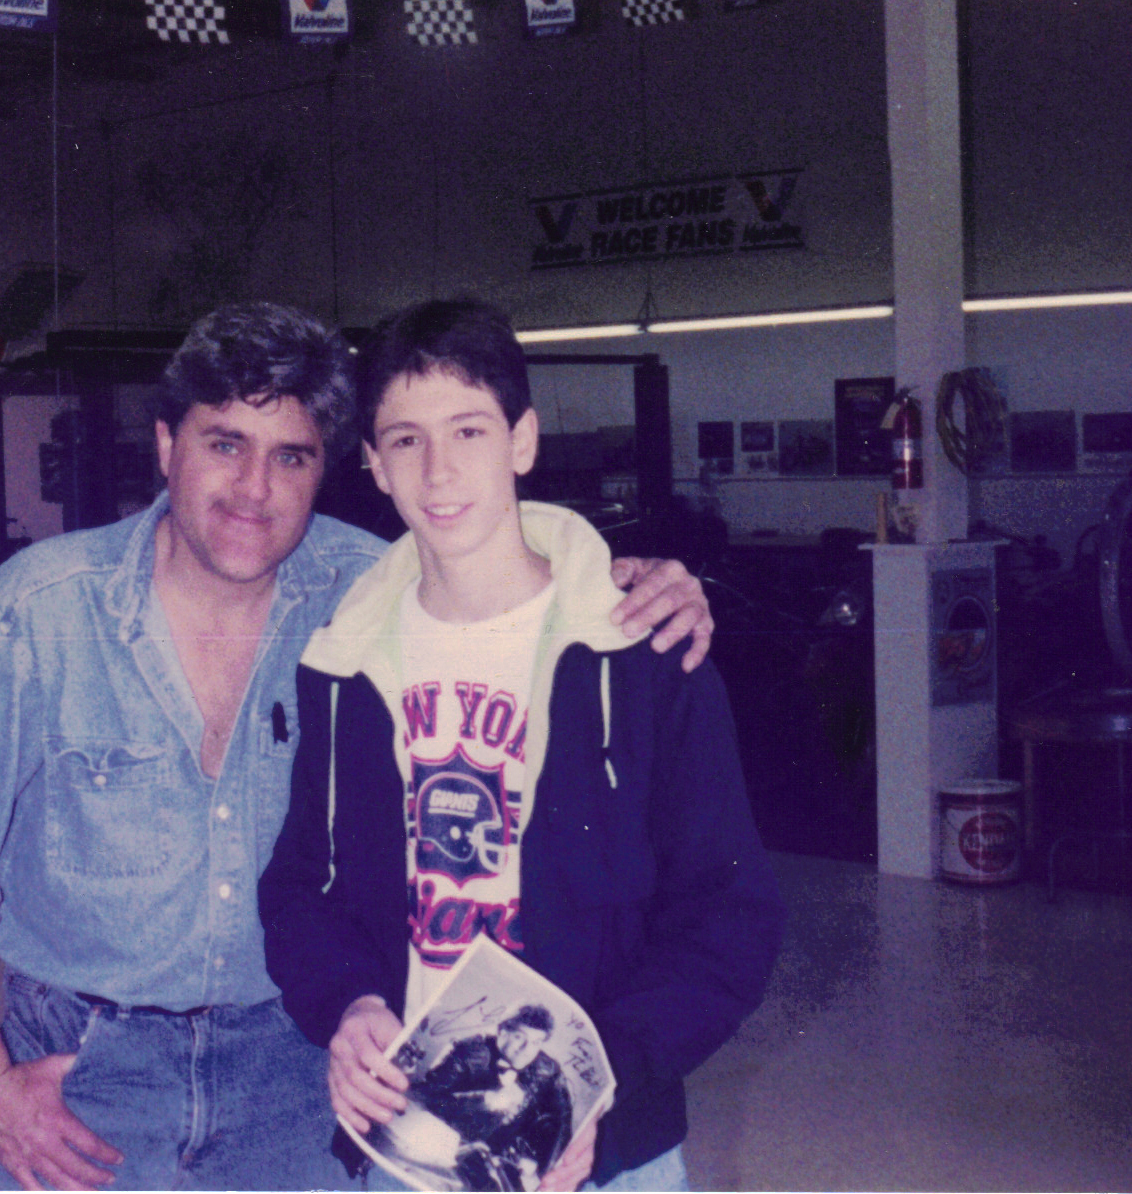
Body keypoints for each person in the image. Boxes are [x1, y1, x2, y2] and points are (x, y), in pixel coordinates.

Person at [0, 300, 718, 1193]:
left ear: (327, 470)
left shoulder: (366, 596)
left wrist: (631, 585)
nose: (254, 489)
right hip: (87, 1076)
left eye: (291, 456)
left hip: (297, 1079)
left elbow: (502, 565)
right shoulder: (37, 612)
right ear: (166, 445)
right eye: (224, 443)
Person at [258, 299, 787, 1192]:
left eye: (468, 430)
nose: (438, 471)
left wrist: (598, 1081)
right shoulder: (342, 665)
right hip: (412, 1144)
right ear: (373, 464)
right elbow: (301, 887)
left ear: (523, 440)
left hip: (604, 1151)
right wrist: (348, 1003)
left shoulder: (644, 652)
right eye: (405, 440)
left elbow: (728, 918)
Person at [406, 1005, 573, 1192]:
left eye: (536, 1042)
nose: (526, 1050)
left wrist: (543, 1172)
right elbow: (424, 1097)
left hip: (502, 1162)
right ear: (502, 1031)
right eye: (519, 1037)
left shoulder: (548, 1071)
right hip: (447, 1151)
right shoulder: (467, 1051)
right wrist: (482, 1101)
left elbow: (562, 1127)